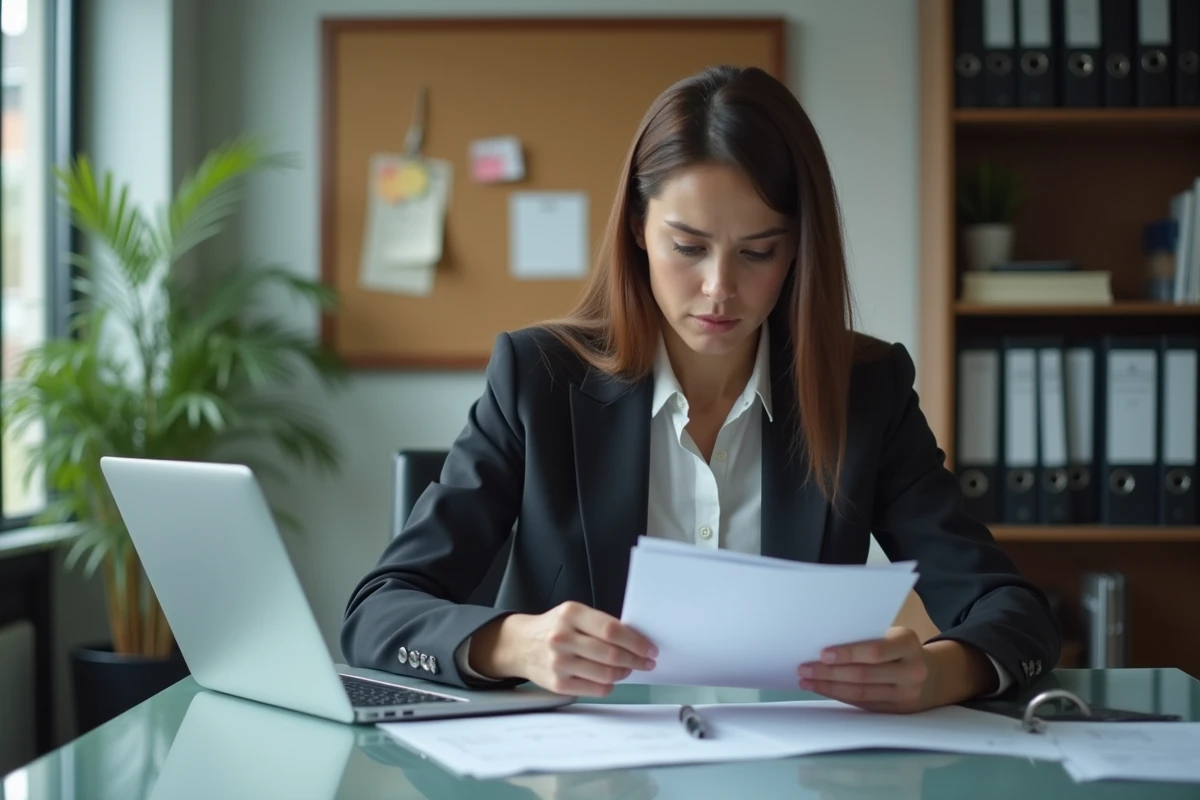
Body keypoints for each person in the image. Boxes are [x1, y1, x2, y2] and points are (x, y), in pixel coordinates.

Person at [341, 65, 1060, 714]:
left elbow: (1013, 612)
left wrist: (945, 671)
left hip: (791, 774)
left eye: (759, 252)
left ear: (799, 250)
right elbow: (378, 613)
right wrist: (514, 644)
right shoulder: (538, 379)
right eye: (688, 247)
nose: (720, 289)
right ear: (637, 231)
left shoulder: (864, 392)